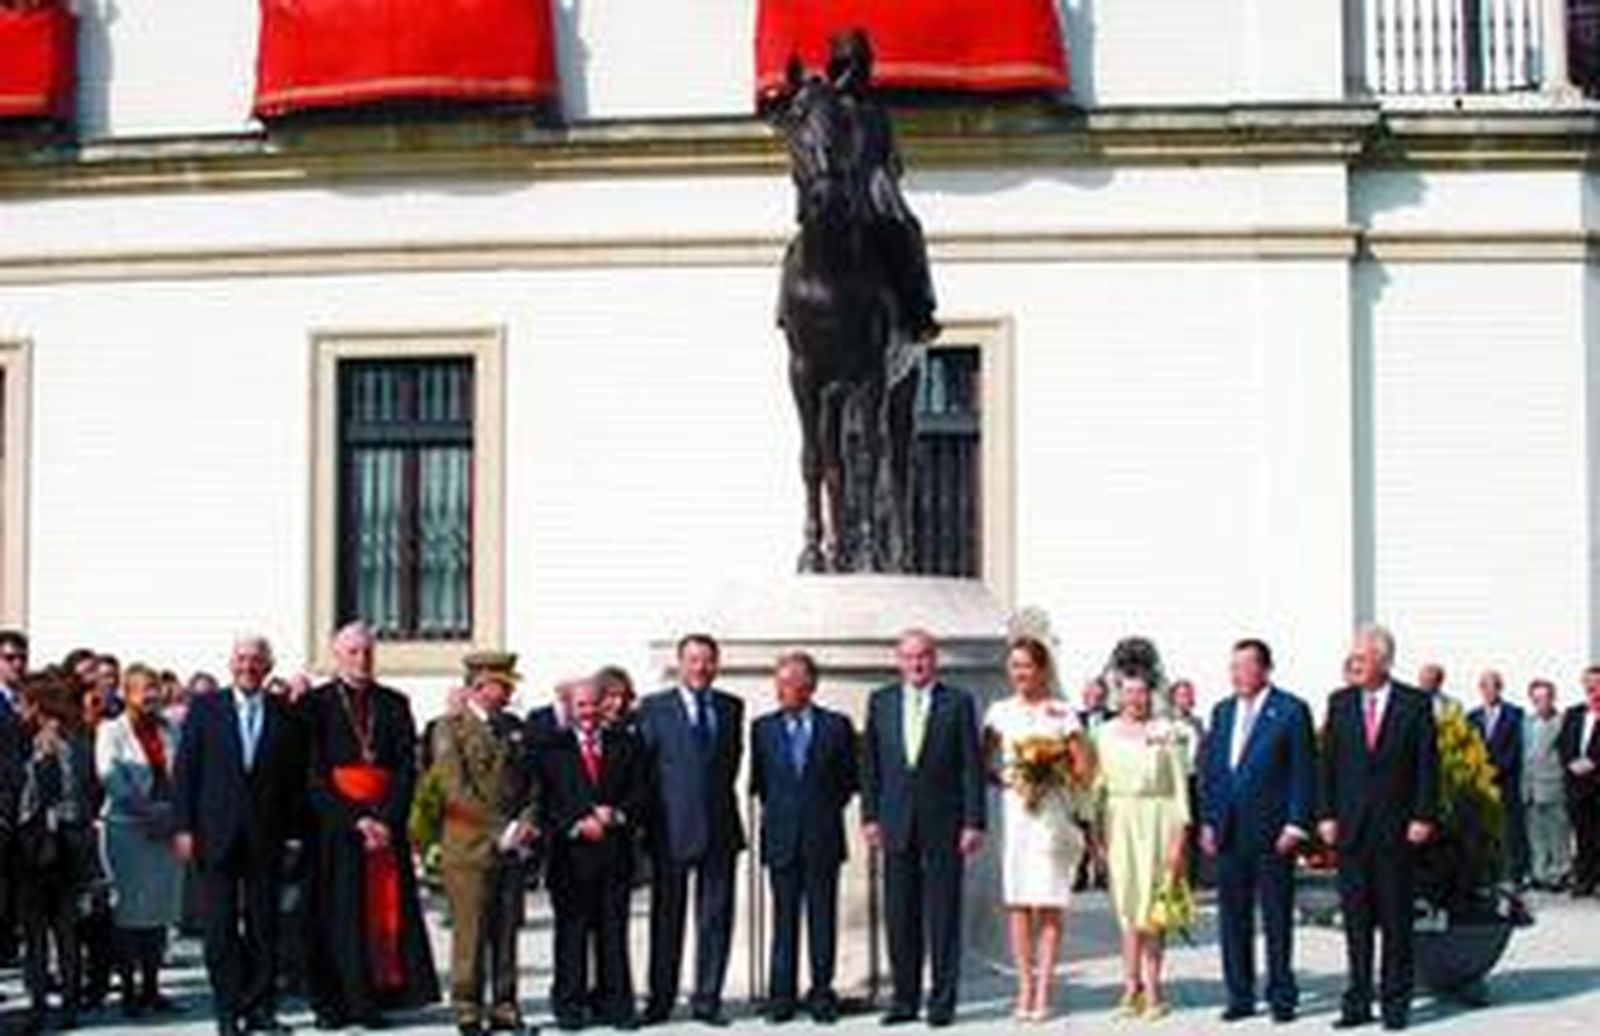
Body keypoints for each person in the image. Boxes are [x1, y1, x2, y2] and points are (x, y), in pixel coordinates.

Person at [303, 623, 439, 1028]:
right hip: (335, 828)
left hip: (384, 825)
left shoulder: (394, 703)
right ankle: (334, 1004)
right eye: (352, 652)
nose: (361, 659)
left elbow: (404, 770)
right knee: (336, 916)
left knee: (382, 916)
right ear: (336, 655)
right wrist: (355, 819)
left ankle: (375, 1000)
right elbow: (312, 776)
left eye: (367, 652)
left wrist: (383, 818)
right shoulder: (315, 704)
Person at [173, 635, 304, 1036]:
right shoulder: (206, 710)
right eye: (242, 659)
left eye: (256, 660)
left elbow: (293, 780)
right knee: (220, 930)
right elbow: (186, 773)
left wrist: (295, 833)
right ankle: (228, 1013)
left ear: (268, 667)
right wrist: (183, 827)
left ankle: (260, 1008)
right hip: (216, 836)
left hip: (266, 837)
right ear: (232, 665)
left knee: (265, 926)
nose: (248, 666)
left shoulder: (284, 713)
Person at [861, 629, 985, 1028]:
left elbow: (972, 768)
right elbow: (871, 767)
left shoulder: (958, 703)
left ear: (935, 660)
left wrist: (973, 821)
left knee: (943, 916)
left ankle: (942, 1001)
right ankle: (904, 1000)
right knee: (900, 915)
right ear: (898, 660)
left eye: (924, 656)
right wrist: (869, 816)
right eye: (909, 656)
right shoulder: (880, 702)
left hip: (945, 825)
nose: (917, 663)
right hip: (895, 823)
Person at [1320, 624, 1438, 1032]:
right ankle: (1356, 1002)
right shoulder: (1340, 703)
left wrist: (1424, 815)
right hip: (1351, 830)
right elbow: (1328, 765)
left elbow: (1427, 765)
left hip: (1396, 829)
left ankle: (1395, 1005)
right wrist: (1327, 815)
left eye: (1362, 657)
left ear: (1383, 660)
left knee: (1395, 921)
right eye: (1353, 656)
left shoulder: (1414, 703)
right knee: (1355, 922)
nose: (1354, 662)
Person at [1199, 639, 1316, 1024]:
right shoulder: (1222, 711)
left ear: (1265, 669)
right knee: (1232, 919)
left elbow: (1304, 772)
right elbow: (1213, 772)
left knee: (1277, 917)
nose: (1236, 673)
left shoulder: (1290, 711)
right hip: (1230, 831)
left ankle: (1282, 995)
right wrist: (1209, 821)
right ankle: (1240, 995)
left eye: (1244, 666)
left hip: (1273, 833)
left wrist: (1297, 824)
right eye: (1232, 666)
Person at [636, 634, 746, 1027]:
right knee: (668, 919)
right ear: (679, 664)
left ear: (716, 665)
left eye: (707, 661)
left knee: (716, 918)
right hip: (671, 829)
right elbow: (647, 771)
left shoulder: (732, 707)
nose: (700, 668)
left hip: (719, 828)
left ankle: (707, 999)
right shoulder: (654, 708)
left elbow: (729, 766)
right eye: (693, 660)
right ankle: (661, 999)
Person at [981, 637, 1090, 1022]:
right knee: (1018, 902)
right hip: (1015, 816)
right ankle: (1023, 985)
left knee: (1047, 901)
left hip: (1051, 816)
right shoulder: (999, 712)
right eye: (1015, 666)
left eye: (1027, 665)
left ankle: (1044, 987)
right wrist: (1010, 779)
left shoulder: (1062, 714)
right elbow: (983, 762)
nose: (1020, 673)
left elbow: (1084, 769)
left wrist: (1054, 772)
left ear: (1042, 669)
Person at [432, 651, 538, 1036]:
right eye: (502, 684)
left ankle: (505, 1006)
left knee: (506, 931)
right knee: (472, 932)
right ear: (479, 685)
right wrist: (500, 829)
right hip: (469, 847)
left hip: (511, 848)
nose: (508, 691)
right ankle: (467, 1007)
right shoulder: (450, 729)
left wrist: (526, 822)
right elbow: (455, 791)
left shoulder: (514, 726)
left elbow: (530, 784)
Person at [750, 651, 858, 1025]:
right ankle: (782, 996)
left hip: (822, 836)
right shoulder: (762, 728)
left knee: (822, 918)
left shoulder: (837, 726)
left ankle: (822, 994)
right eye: (779, 684)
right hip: (781, 837)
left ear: (810, 686)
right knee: (783, 920)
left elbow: (848, 782)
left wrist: (818, 811)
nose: (784, 691)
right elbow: (760, 783)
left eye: (793, 683)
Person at [537, 677, 649, 1031]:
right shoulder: (551, 748)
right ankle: (569, 1006)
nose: (587, 713)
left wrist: (616, 814)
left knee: (613, 934)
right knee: (571, 936)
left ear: (605, 706)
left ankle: (615, 1005)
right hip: (570, 857)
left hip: (614, 855)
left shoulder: (627, 745)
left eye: (593, 705)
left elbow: (643, 793)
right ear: (570, 708)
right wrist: (575, 823)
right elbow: (544, 800)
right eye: (580, 705)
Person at [1094, 671, 1189, 1019]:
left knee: (1154, 907)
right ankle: (1130, 985)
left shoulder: (1167, 732)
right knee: (1127, 908)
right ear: (1118, 696)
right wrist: (1096, 840)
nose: (1135, 699)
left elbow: (1180, 789)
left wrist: (1179, 841)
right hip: (1119, 820)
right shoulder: (1103, 734)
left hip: (1159, 818)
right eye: (1129, 692)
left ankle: (1153, 988)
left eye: (1142, 693)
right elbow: (1096, 790)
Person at [96, 664, 184, 1016]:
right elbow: (110, 775)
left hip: (166, 829)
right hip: (128, 829)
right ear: (127, 692)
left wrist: (173, 815)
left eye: (155, 689)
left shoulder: (170, 728)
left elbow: (183, 773)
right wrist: (147, 812)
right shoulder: (111, 730)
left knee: (160, 912)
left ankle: (152, 986)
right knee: (129, 912)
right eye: (144, 689)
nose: (151, 695)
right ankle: (129, 989)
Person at [16, 668, 98, 1033]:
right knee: (65, 929)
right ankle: (67, 1003)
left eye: (23, 702)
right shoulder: (78, 737)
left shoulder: (47, 742)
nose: (20, 709)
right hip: (73, 841)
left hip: (46, 844)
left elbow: (37, 800)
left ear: (37, 705)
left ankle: (40, 1007)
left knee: (39, 930)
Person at [1467, 670, 1526, 882]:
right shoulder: (1472, 716)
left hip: (1506, 781)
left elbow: (1515, 748)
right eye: (1483, 686)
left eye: (1492, 686)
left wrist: (1496, 770)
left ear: (1500, 687)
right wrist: (1480, 773)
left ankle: (1514, 873)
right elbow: (1469, 749)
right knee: (1484, 830)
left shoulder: (1515, 714)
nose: (1487, 691)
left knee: (1510, 830)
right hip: (1482, 785)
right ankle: (1486, 873)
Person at [1522, 679, 1571, 890]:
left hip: (1553, 784)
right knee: (1535, 833)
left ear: (1553, 698)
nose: (1541, 702)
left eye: (1545, 698)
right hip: (1529, 786)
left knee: (1557, 833)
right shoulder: (1527, 722)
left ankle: (1560, 873)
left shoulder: (1563, 722)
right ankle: (1539, 873)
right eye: (1536, 698)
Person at [0, 629, 29, 970]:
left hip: (24, 812)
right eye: (9, 658)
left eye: (21, 657)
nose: (17, 664)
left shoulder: (27, 699)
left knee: (13, 898)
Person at [1557, 665, 1600, 897]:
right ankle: (1585, 881)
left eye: (1596, 682)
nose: (1592, 686)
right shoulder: (1574, 713)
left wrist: (1593, 762)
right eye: (1588, 682)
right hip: (1577, 786)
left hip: (1597, 781)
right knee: (1582, 835)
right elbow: (1563, 743)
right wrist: (1571, 762)